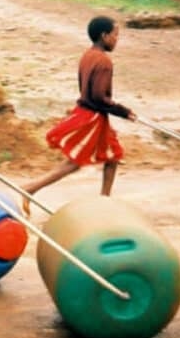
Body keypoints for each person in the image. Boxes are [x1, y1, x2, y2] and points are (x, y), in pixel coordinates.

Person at [21, 15, 136, 215]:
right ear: (104, 35)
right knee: (74, 163)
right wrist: (123, 112)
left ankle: (105, 200)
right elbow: (99, 98)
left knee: (113, 156)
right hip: (92, 117)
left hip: (89, 113)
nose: (117, 39)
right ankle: (30, 188)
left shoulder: (88, 55)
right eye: (115, 35)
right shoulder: (104, 62)